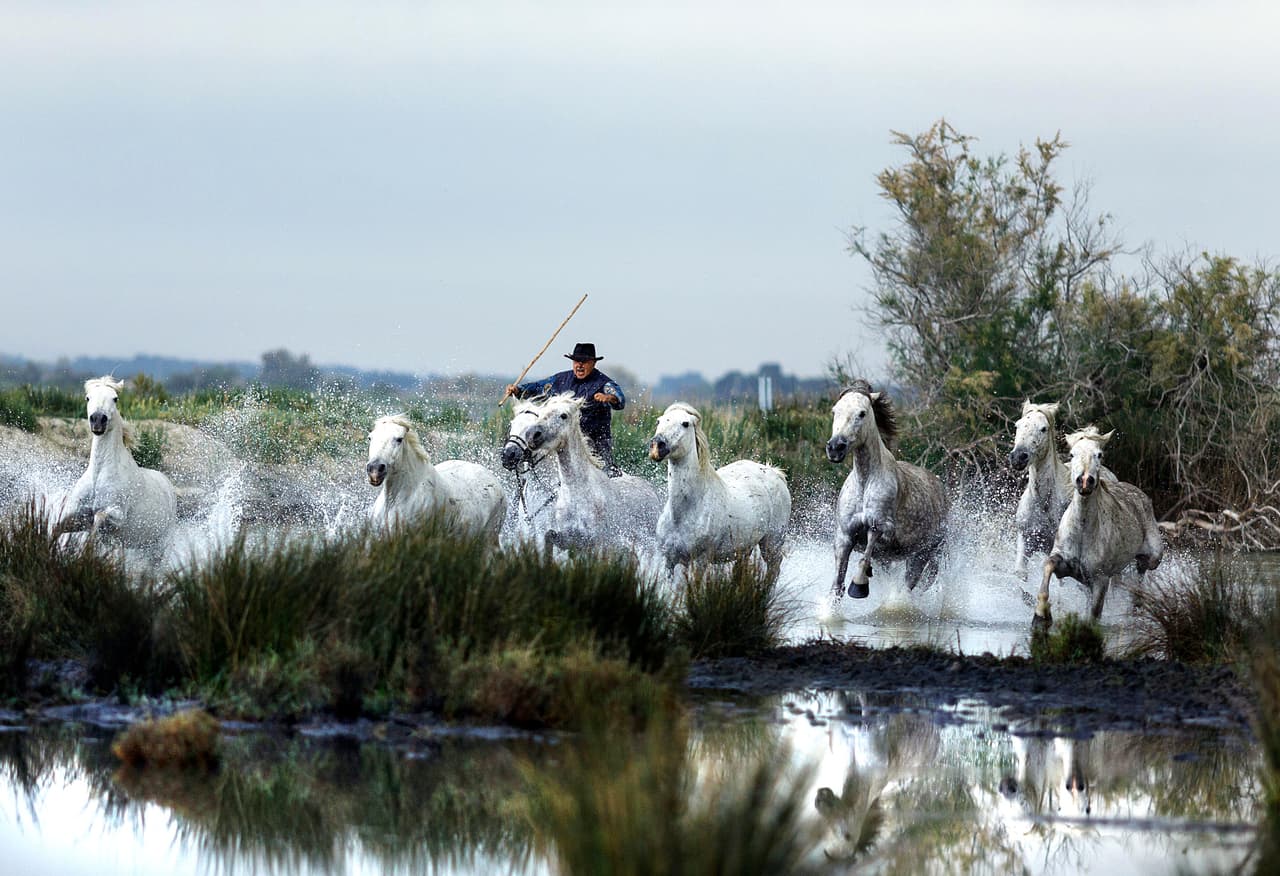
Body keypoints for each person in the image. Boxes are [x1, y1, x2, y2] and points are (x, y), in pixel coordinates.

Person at [506, 342, 626, 476]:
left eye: (584, 362)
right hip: (563, 440)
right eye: (576, 361)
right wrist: (518, 390)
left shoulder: (603, 383)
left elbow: (620, 401)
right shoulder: (560, 380)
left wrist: (610, 398)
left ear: (593, 363)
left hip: (596, 442)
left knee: (608, 472)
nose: (579, 365)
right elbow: (538, 387)